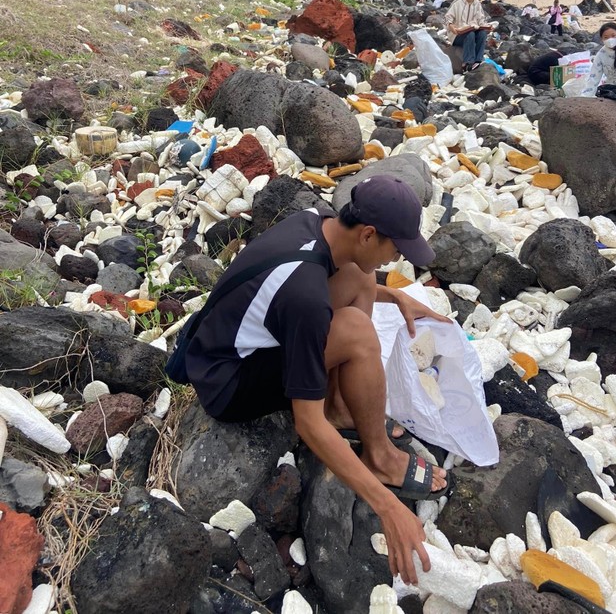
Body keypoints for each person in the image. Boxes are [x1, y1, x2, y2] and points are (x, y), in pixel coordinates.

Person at [185, 176, 451, 585]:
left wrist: (394, 295)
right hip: (227, 382)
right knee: (355, 331)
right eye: (395, 248)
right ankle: (379, 457)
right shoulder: (305, 298)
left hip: (219, 343)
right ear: (367, 233)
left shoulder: (316, 221)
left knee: (362, 277)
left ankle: (343, 408)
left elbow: (340, 274)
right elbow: (307, 424)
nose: (395, 258)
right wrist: (387, 508)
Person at [444, 0, 492, 71]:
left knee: (482, 33)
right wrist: (452, 27)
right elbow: (448, 18)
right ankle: (467, 63)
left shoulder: (477, 4)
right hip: (457, 35)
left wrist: (487, 27)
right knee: (470, 34)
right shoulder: (458, 2)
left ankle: (478, 61)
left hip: (471, 32)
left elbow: (481, 19)